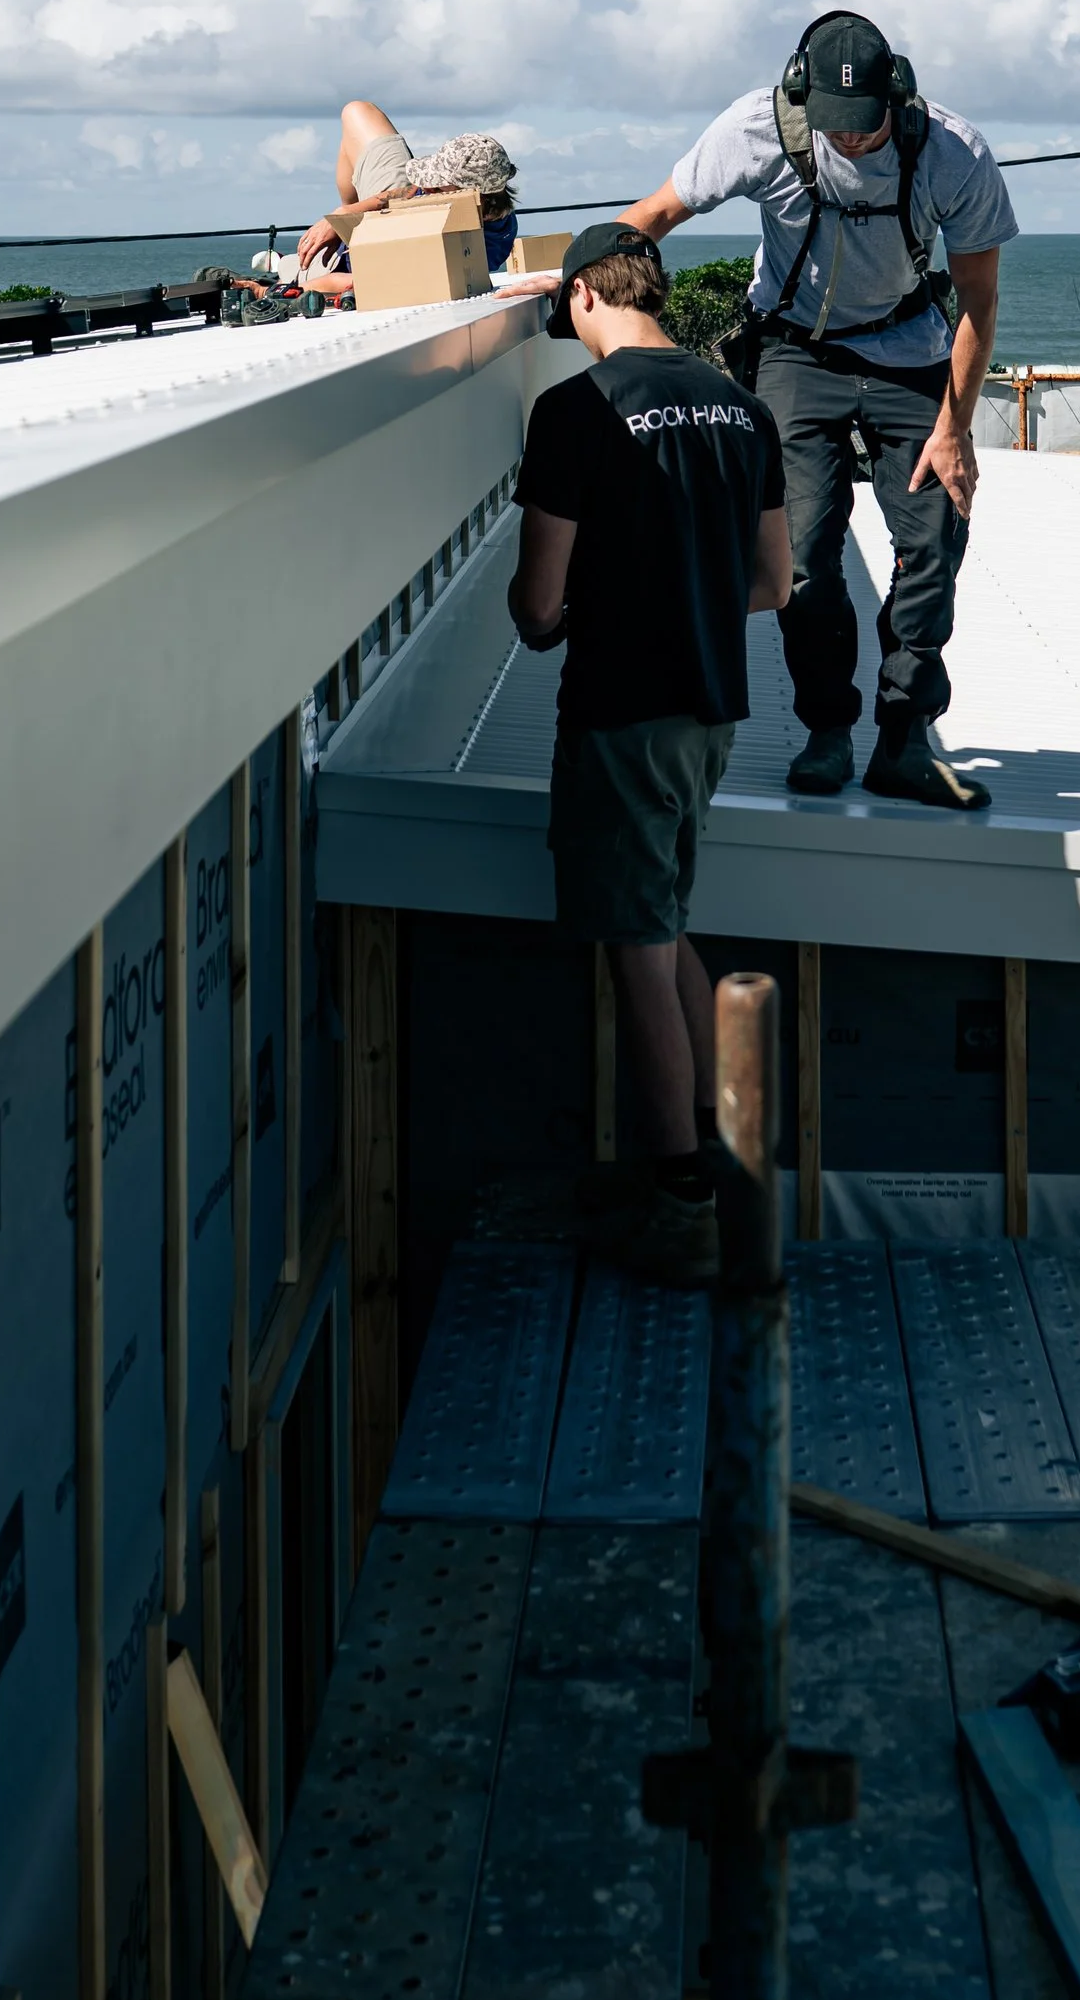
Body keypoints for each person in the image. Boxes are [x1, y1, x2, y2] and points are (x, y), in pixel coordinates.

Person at [623, 10, 1012, 812]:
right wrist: (574, 279)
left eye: (866, 126)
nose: (852, 143)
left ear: (896, 96)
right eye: (835, 129)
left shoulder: (953, 151)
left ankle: (903, 738)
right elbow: (652, 217)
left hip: (909, 348)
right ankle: (827, 729)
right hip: (797, 349)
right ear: (801, 98)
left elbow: (978, 296)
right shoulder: (755, 130)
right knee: (803, 553)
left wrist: (955, 430)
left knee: (935, 537)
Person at [508, 220, 792, 1283]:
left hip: (620, 710)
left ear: (584, 296)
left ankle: (680, 1198)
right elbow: (772, 584)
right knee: (663, 920)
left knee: (633, 947)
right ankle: (728, 1142)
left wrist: (563, 610)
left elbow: (538, 607)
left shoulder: (574, 411)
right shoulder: (743, 405)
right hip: (713, 708)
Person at [294, 105, 519, 289]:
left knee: (295, 271)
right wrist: (344, 216)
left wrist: (269, 292)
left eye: (436, 187)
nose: (426, 188)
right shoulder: (487, 209)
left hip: (337, 268)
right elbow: (410, 190)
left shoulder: (456, 251)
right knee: (357, 112)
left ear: (474, 196)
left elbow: (351, 284)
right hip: (383, 231)